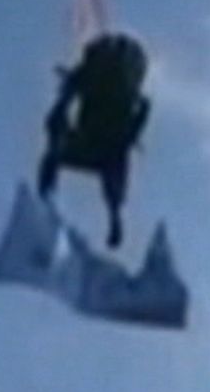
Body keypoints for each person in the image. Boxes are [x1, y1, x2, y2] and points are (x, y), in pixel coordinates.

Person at [37, 33, 151, 249]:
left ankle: (48, 201)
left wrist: (59, 114)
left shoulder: (94, 79)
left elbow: (63, 104)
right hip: (100, 142)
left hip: (99, 141)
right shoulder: (99, 80)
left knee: (56, 157)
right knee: (58, 157)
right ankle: (48, 202)